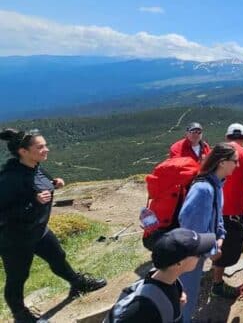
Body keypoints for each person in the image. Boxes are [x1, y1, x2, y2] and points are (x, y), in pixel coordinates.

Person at [0, 128, 106, 323]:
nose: (46, 149)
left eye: (45, 145)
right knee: (18, 278)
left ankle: (78, 284)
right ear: (23, 151)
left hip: (38, 231)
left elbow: (39, 182)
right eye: (40, 147)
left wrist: (53, 183)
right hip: (14, 239)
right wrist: (34, 202)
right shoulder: (9, 178)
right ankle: (21, 316)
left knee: (58, 258)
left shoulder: (35, 166)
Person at [177, 142, 236, 323]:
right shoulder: (204, 189)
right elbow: (189, 226)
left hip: (198, 252)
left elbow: (217, 217)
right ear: (222, 162)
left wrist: (221, 236)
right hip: (190, 255)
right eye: (235, 161)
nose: (237, 165)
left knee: (190, 296)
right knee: (186, 296)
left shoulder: (216, 185)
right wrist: (210, 249)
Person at [109, 229, 216, 322]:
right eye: (198, 253)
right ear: (179, 262)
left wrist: (176, 305)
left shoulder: (168, 279)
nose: (201, 257)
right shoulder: (143, 309)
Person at [209, 124, 243, 300]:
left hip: (216, 208)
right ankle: (217, 285)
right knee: (230, 246)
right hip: (235, 210)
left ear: (227, 136)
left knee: (223, 240)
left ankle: (218, 275)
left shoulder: (216, 152)